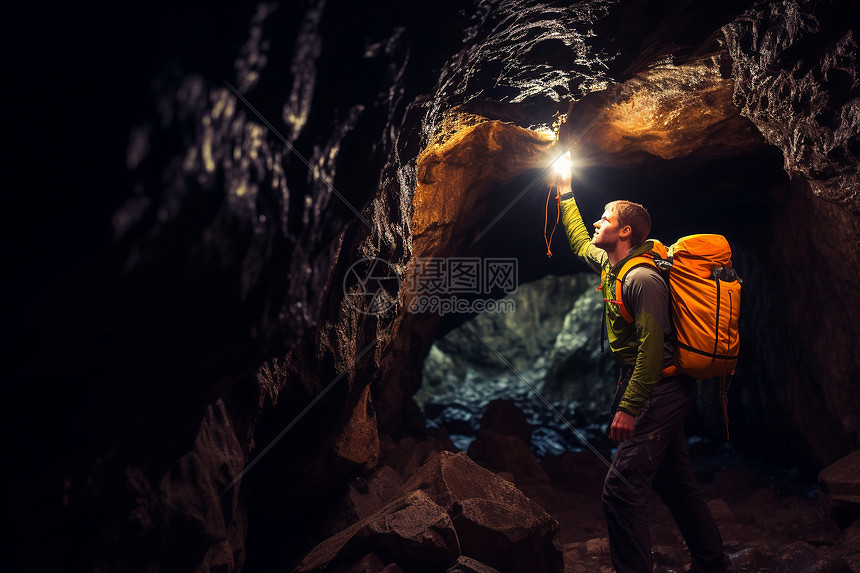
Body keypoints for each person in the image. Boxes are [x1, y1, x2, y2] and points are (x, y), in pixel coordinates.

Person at [555, 159, 732, 573]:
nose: (598, 223)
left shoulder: (642, 281)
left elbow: (653, 352)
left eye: (605, 218)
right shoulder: (612, 265)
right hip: (654, 386)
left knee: (620, 489)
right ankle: (713, 564)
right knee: (676, 482)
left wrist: (629, 407)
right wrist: (565, 190)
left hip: (661, 389)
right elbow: (580, 241)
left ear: (625, 231)